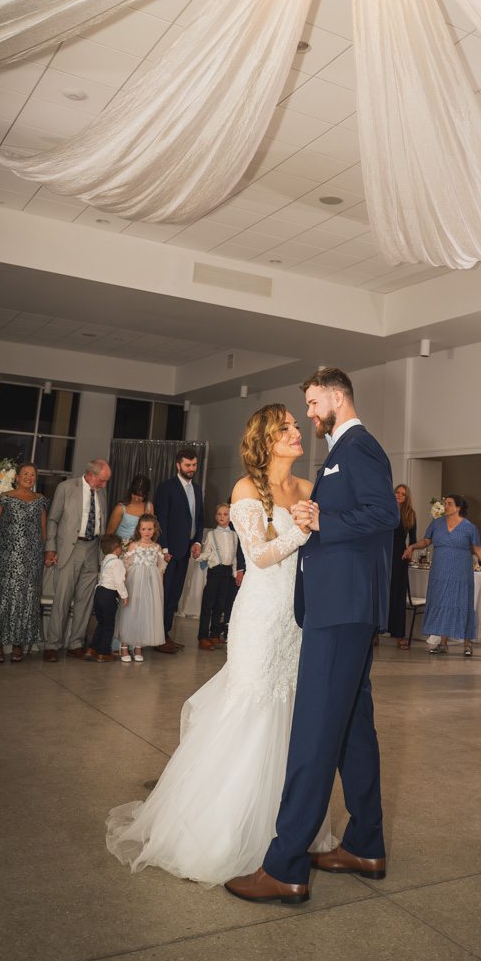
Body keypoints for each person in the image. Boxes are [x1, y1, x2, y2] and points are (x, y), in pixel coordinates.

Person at [106, 403, 335, 883]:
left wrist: (319, 526)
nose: (298, 432)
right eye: (287, 428)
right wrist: (302, 531)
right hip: (261, 615)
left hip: (298, 616)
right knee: (253, 705)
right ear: (267, 440)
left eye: (297, 425)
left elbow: (318, 548)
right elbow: (260, 554)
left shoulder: (308, 488)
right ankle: (225, 833)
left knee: (292, 712)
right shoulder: (246, 488)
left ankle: (288, 829)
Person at [225, 366, 398, 906]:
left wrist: (322, 523)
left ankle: (285, 867)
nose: (308, 413)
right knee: (352, 728)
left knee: (314, 734)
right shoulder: (338, 453)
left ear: (336, 397)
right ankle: (365, 844)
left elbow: (385, 513)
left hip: (340, 608)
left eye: (312, 403)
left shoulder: (357, 446)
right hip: (340, 606)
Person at [0, 463, 47, 664]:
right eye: (25, 473)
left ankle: (18, 643)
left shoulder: (41, 500)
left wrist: (45, 552)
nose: (29, 477)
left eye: (32, 474)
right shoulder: (4, 497)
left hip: (31, 559)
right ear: (16, 477)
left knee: (26, 599)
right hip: (6, 557)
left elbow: (43, 530)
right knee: (2, 597)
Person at [43, 458, 111, 662]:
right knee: (62, 600)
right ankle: (52, 645)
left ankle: (76, 644)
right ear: (90, 474)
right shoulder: (66, 488)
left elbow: (102, 523)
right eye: (102, 480)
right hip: (70, 549)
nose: (104, 485)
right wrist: (50, 548)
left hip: (93, 549)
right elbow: (53, 519)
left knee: (85, 602)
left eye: (106, 481)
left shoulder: (102, 492)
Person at [404, 494, 481, 656]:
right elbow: (426, 541)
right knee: (442, 601)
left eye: (449, 504)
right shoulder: (437, 523)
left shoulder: (469, 527)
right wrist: (412, 547)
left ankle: (467, 644)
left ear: (458, 508)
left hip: (460, 572)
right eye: (445, 503)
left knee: (462, 603)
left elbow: (477, 548)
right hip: (440, 571)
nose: (445, 506)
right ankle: (443, 644)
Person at [153, 446, 204, 654]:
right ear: (178, 465)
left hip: (186, 551)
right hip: (169, 552)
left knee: (174, 596)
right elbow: (161, 519)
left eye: (194, 465)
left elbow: (199, 518)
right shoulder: (166, 487)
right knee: (164, 596)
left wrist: (198, 542)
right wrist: (164, 547)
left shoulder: (197, 489)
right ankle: (158, 637)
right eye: (187, 465)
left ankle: (165, 634)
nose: (191, 468)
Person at [118, 515, 167, 663]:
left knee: (144, 612)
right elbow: (126, 566)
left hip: (151, 585)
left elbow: (160, 569)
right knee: (131, 612)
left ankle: (138, 646)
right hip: (134, 582)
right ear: (139, 530)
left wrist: (159, 588)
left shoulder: (157, 547)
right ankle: (124, 646)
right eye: (144, 529)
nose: (147, 532)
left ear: (155, 529)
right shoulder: (134, 545)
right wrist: (124, 586)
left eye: (150, 529)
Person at [197, 503, 239, 650]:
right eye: (219, 514)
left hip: (227, 573)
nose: (222, 517)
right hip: (215, 571)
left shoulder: (234, 535)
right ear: (216, 517)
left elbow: (234, 556)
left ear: (230, 517)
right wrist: (198, 556)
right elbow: (207, 553)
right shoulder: (211, 534)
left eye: (225, 514)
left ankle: (214, 634)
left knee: (220, 604)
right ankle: (203, 636)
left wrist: (235, 573)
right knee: (208, 604)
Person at [85, 533, 128, 663]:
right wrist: (124, 595)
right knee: (109, 625)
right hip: (109, 595)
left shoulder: (105, 560)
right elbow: (119, 581)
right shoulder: (117, 562)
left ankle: (93, 649)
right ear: (117, 548)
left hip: (99, 593)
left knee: (101, 623)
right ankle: (103, 652)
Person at [387, 484, 416, 648]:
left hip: (400, 557)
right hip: (384, 555)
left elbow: (413, 539)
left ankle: (399, 635)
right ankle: (375, 633)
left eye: (403, 494)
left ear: (406, 498)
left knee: (398, 596)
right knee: (382, 594)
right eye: (397, 493)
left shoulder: (410, 514)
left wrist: (410, 550)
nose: (399, 495)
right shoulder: (385, 509)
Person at [106, 475, 153, 546]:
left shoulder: (149, 507)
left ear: (145, 495)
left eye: (140, 496)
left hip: (141, 548)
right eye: (134, 494)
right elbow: (109, 534)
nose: (136, 499)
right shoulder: (120, 508)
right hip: (121, 547)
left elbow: (151, 530)